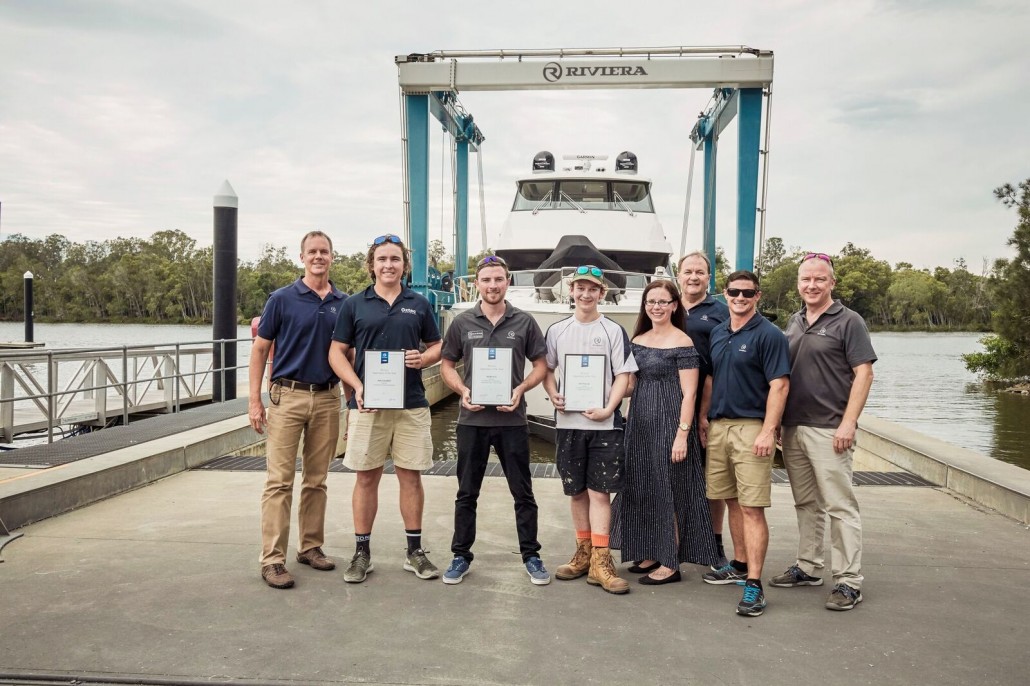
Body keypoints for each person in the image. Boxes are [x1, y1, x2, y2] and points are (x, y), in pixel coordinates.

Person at [328, 233, 442, 583]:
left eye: (395, 259)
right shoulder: (354, 304)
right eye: (382, 259)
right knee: (366, 478)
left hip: (411, 404)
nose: (388, 265)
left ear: (404, 265)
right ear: (372, 264)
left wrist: (422, 358)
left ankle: (414, 552)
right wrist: (358, 387)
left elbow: (439, 346)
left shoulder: (419, 304)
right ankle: (362, 553)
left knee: (411, 477)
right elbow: (336, 353)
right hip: (369, 407)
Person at [769, 252, 876, 611]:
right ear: (798, 284)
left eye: (819, 279)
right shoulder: (794, 321)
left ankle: (849, 581)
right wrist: (780, 423)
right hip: (795, 426)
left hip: (831, 429)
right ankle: (809, 566)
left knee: (839, 505)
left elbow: (864, 373)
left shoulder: (849, 321)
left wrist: (848, 422)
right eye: (805, 280)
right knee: (806, 503)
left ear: (832, 283)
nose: (811, 285)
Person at [439, 255, 550, 585]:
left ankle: (531, 555)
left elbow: (541, 365)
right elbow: (446, 365)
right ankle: (460, 555)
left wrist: (521, 388)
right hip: (472, 420)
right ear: (478, 283)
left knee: (523, 493)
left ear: (507, 282)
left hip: (512, 419)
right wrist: (461, 389)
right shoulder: (462, 323)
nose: (492, 285)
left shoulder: (524, 322)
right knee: (466, 493)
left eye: (498, 279)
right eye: (486, 280)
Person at [249, 230, 347, 590]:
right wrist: (255, 400)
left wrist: (352, 399)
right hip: (286, 397)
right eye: (312, 252)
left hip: (326, 397)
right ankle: (272, 559)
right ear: (302, 257)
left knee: (317, 480)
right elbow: (260, 350)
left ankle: (310, 547)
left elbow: (348, 356)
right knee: (279, 481)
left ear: (332, 257)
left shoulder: (343, 302)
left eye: (324, 251)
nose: (318, 257)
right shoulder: (281, 299)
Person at [611, 279, 719, 585]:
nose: (656, 307)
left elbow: (690, 394)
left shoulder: (683, 342)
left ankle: (670, 563)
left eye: (662, 302)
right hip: (640, 422)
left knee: (668, 490)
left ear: (674, 305)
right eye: (651, 302)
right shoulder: (640, 338)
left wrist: (682, 434)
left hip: (669, 422)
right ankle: (651, 549)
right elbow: (631, 385)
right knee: (642, 486)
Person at [701, 269, 790, 617]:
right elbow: (711, 379)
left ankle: (754, 584)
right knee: (730, 498)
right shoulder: (719, 332)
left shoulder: (769, 335)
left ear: (758, 296)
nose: (740, 298)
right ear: (725, 293)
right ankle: (738, 564)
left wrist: (769, 430)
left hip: (751, 426)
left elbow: (780, 385)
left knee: (752, 506)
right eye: (734, 292)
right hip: (720, 426)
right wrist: (705, 419)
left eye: (747, 293)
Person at [544, 265, 634, 595]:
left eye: (592, 288)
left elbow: (623, 375)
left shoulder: (612, 330)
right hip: (568, 423)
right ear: (571, 290)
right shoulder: (557, 330)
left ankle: (601, 559)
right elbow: (547, 369)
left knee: (600, 492)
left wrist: (609, 409)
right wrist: (552, 393)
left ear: (602, 293)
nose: (586, 293)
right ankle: (583, 554)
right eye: (580, 287)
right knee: (576, 491)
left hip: (604, 425)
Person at [677, 251, 731, 569]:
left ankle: (714, 543)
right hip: (668, 402)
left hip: (707, 405)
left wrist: (704, 413)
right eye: (688, 271)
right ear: (678, 274)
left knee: (714, 480)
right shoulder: (666, 305)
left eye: (700, 272)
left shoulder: (721, 312)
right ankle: (667, 542)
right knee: (670, 477)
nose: (694, 277)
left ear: (708, 277)